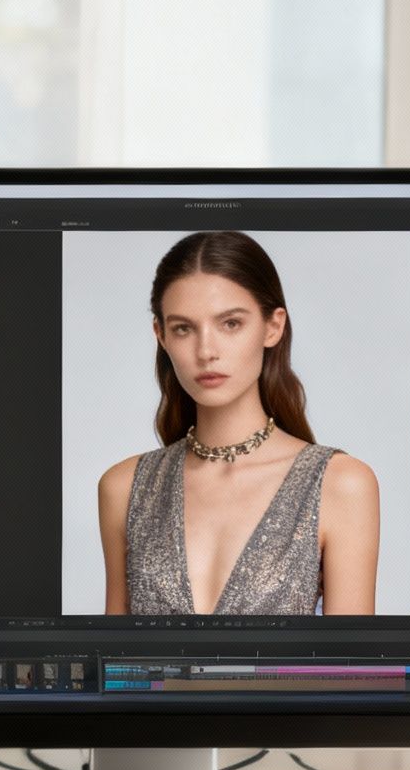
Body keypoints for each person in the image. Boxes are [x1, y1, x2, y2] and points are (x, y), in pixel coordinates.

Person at [98, 231, 379, 616]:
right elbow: (113, 665)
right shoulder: (123, 488)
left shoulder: (341, 485)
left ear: (272, 327)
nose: (206, 351)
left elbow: (349, 672)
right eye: (183, 328)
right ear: (161, 335)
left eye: (230, 324)